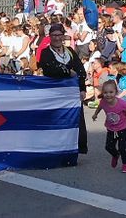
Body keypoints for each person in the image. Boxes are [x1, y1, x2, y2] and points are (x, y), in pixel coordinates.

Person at [39, 23, 88, 154]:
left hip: (71, 93)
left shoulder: (70, 52)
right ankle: (54, 148)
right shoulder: (46, 53)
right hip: (54, 93)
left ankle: (74, 148)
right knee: (56, 120)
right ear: (50, 37)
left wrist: (82, 88)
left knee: (74, 120)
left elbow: (81, 71)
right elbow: (51, 68)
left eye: (59, 35)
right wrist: (68, 72)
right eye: (54, 35)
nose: (57, 38)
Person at [92, 80, 126, 173]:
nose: (108, 95)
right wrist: (95, 114)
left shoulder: (122, 104)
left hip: (124, 128)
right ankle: (115, 155)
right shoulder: (103, 102)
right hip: (111, 128)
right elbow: (100, 107)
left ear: (116, 92)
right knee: (108, 146)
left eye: (111, 92)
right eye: (105, 92)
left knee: (123, 147)